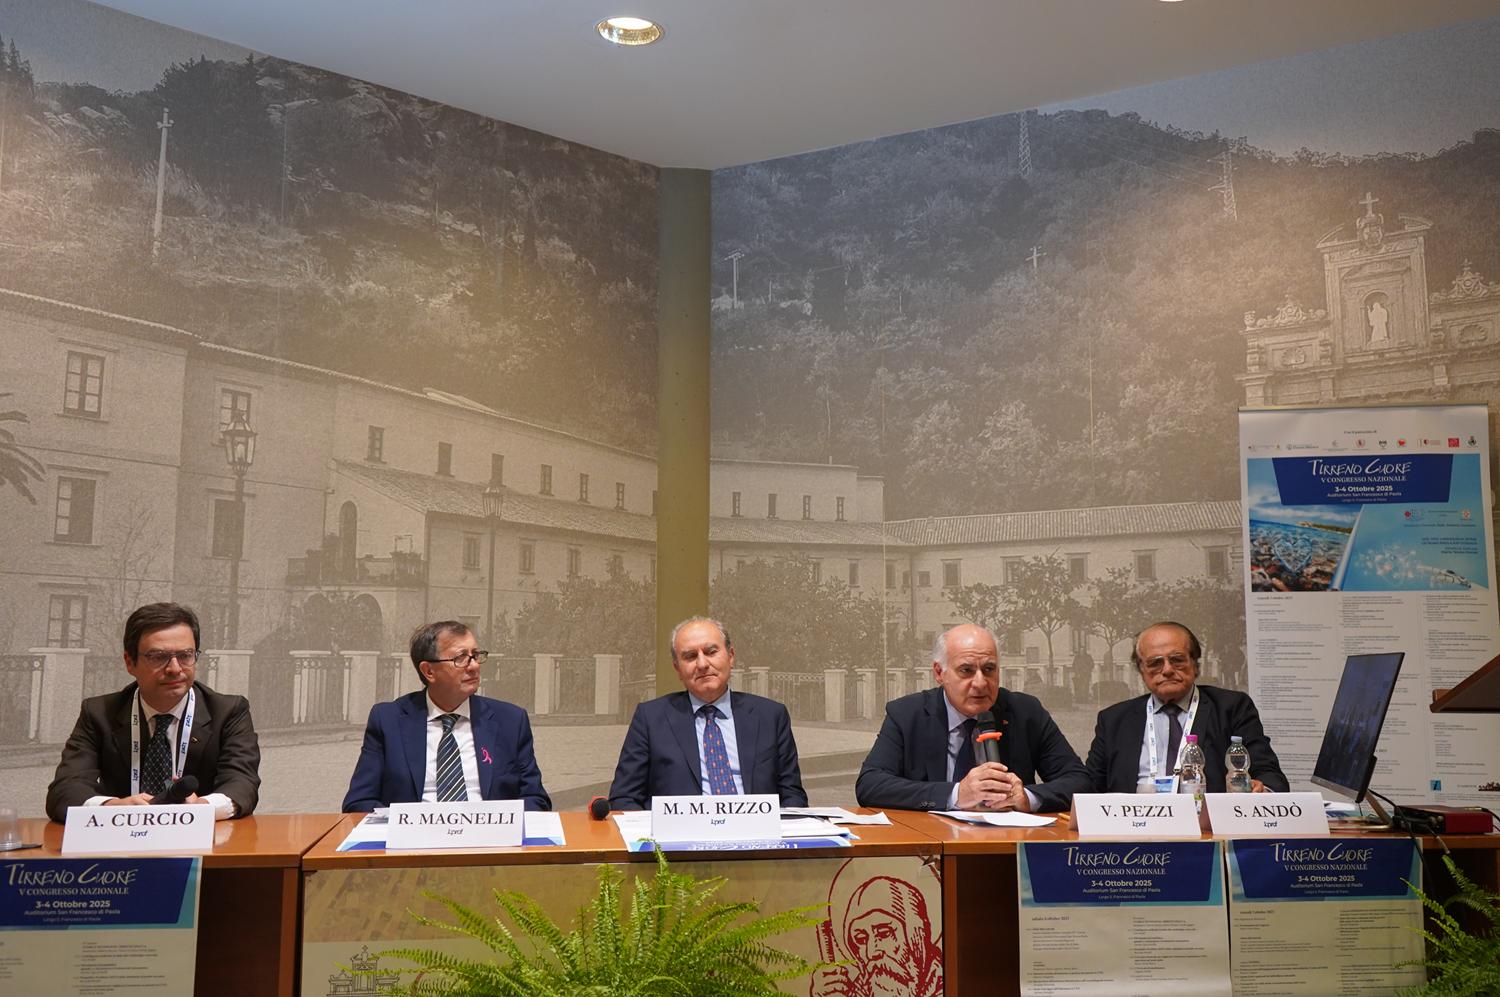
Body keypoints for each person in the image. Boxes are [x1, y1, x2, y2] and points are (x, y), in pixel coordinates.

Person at [45, 602, 260, 822]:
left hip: (202, 837)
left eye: (185, 655)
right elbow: (64, 790)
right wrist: (112, 807)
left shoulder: (228, 712)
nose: (175, 668)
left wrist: (201, 809)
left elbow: (242, 784)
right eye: (158, 657)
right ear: (130, 662)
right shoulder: (99, 714)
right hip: (122, 835)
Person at [855, 623, 1089, 812]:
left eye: (989, 669)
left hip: (1006, 844)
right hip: (933, 842)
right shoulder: (908, 714)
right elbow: (870, 785)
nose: (980, 683)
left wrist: (1027, 797)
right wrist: (956, 794)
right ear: (939, 673)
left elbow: (1081, 782)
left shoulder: (1025, 712)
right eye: (966, 670)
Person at [342, 620, 550, 811]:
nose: (474, 666)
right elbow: (359, 803)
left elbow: (535, 799)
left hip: (489, 837)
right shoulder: (388, 721)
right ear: (429, 671)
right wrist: (404, 827)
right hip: (415, 837)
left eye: (476, 655)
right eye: (461, 658)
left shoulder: (510, 721)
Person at [607, 616, 807, 810]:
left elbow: (793, 796)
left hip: (756, 832)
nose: (702, 664)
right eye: (690, 656)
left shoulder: (770, 716)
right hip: (679, 832)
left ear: (730, 656)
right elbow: (624, 798)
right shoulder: (650, 718)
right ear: (677, 668)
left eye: (711, 652)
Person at [1085, 621, 1289, 794]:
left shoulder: (1231, 708)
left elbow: (1269, 774)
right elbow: (1090, 788)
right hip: (1133, 823)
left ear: (1195, 664)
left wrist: (1262, 790)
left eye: (1177, 660)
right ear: (1141, 670)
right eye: (1155, 663)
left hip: (1205, 823)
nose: (1167, 670)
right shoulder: (1113, 720)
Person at [811, 875, 943, 997]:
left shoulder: (948, 984)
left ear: (916, 936)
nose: (871, 953)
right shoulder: (857, 991)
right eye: (861, 939)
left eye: (884, 933)